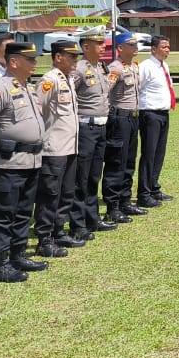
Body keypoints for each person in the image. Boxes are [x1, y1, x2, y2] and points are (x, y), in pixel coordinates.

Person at [0, 42, 48, 282]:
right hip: (6, 163)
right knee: (3, 215)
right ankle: (1, 264)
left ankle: (18, 256)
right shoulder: (0, 89)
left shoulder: (27, 88)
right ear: (14, 61)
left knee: (23, 213)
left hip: (30, 161)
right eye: (30, 59)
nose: (35, 63)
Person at [35, 39, 84, 257]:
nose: (75, 60)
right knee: (49, 195)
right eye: (72, 56)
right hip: (53, 148)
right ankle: (44, 239)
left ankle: (58, 230)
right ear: (58, 57)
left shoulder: (67, 80)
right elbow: (38, 112)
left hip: (69, 147)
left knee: (66, 193)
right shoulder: (49, 80)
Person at [71, 27, 116, 235]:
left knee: (94, 176)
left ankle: (92, 218)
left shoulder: (101, 68)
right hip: (85, 127)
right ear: (86, 46)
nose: (103, 47)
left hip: (100, 127)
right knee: (81, 177)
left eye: (103, 43)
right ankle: (78, 224)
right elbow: (69, 98)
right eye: (99, 44)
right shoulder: (78, 69)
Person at [102, 30, 144, 220]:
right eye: (131, 44)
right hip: (119, 119)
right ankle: (112, 207)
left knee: (129, 161)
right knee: (116, 162)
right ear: (120, 48)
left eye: (136, 44)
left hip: (133, 118)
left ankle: (125, 201)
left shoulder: (133, 67)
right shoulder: (115, 69)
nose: (135, 47)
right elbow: (104, 94)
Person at [136, 34, 176, 207]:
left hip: (163, 113)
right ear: (153, 49)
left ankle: (154, 187)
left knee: (159, 153)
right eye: (164, 47)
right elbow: (137, 87)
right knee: (149, 154)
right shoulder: (145, 66)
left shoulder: (163, 65)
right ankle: (143, 193)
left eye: (168, 47)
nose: (167, 50)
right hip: (150, 114)